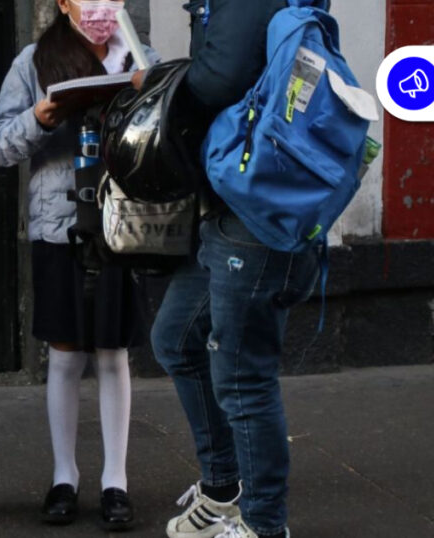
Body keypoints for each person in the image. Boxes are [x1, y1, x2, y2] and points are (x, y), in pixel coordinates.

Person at [138, 2, 318, 538]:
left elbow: (222, 76)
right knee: (175, 338)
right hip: (232, 199)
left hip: (254, 204)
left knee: (243, 378)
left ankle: (264, 525)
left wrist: (158, 79)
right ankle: (223, 490)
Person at [0, 0, 159, 531]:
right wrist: (38, 120)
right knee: (63, 351)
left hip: (120, 222)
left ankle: (115, 481)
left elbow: (166, 134)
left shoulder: (139, 54)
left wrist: (147, 98)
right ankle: (65, 477)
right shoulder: (34, 61)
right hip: (57, 223)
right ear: (63, 3)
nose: (101, 4)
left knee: (112, 350)